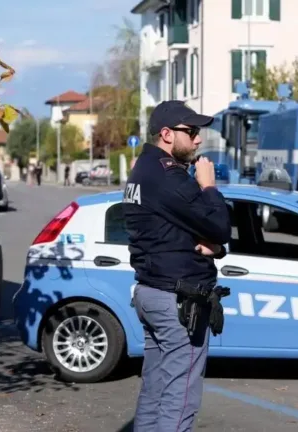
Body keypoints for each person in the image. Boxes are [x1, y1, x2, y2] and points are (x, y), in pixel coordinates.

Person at [124, 100, 232, 432]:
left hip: (154, 291)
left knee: (155, 389)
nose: (199, 139)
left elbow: (191, 232)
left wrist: (213, 247)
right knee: (180, 395)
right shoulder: (168, 176)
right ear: (167, 134)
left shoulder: (145, 170)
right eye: (192, 132)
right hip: (177, 300)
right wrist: (209, 186)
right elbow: (219, 225)